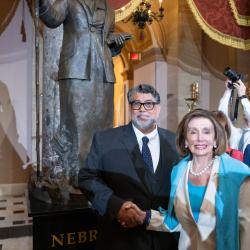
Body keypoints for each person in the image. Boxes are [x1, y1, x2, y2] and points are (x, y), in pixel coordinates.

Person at [130, 108, 250, 250]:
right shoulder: (178, 171)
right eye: (193, 132)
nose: (200, 138)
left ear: (215, 138)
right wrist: (145, 217)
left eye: (206, 132)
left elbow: (246, 229)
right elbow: (178, 221)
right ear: (185, 140)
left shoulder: (239, 173)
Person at [78, 84, 179, 250]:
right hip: (121, 239)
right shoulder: (105, 140)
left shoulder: (175, 142)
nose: (142, 109)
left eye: (149, 104)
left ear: (158, 109)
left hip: (166, 240)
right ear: (130, 107)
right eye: (136, 104)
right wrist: (116, 206)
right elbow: (87, 178)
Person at [39, 0, 131, 178]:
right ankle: (74, 175)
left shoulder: (108, 9)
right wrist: (42, 2)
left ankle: (98, 174)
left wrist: (117, 44)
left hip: (103, 71)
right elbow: (52, 18)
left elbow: (108, 41)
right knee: (75, 124)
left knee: (102, 124)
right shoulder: (68, 1)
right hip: (76, 67)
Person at [218, 78, 250, 166]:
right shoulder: (236, 133)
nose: (244, 112)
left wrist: (243, 96)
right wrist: (228, 91)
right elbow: (222, 114)